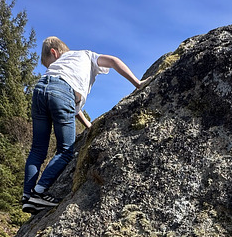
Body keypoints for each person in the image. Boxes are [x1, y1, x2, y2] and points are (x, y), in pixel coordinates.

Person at [23, 36, 149, 215]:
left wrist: (88, 124)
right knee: (65, 151)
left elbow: (72, 107)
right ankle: (39, 193)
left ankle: (27, 196)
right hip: (62, 92)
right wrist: (138, 84)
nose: (49, 66)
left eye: (48, 63)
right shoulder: (85, 55)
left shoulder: (55, 68)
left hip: (39, 90)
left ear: (54, 53)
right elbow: (113, 61)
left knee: (37, 149)